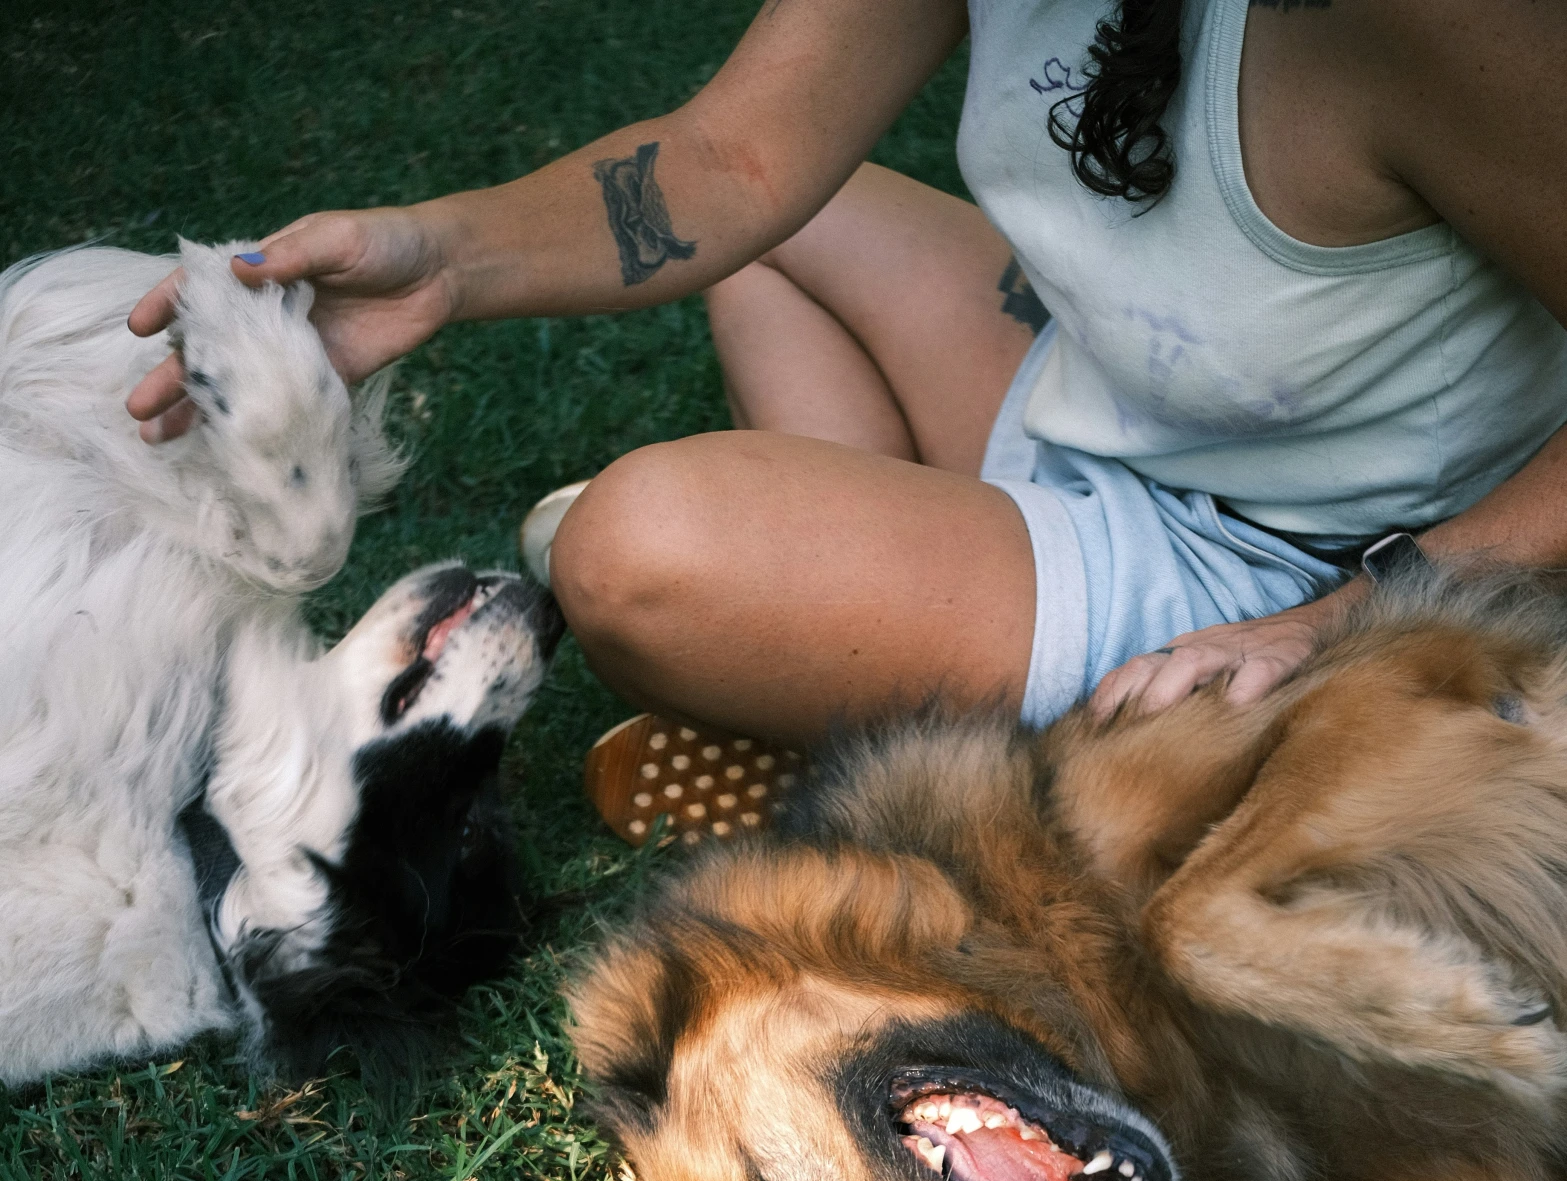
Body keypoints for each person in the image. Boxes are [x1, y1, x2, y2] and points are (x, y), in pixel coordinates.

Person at [127, 0, 1567, 759]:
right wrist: (438, 256)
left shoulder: (1435, 17)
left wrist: (1330, 628)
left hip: (1292, 569)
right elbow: (733, 166)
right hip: (1109, 400)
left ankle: (898, 646)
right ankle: (896, 623)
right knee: (778, 230)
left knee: (633, 552)